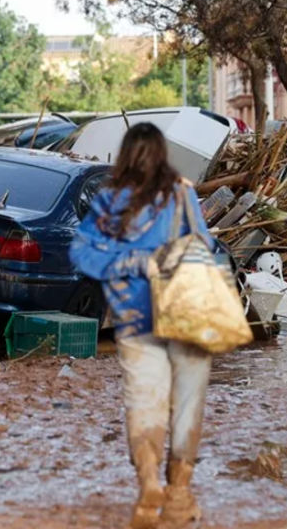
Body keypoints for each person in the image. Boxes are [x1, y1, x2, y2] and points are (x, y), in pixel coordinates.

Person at [70, 123, 213, 529]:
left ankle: (149, 485)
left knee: (144, 402)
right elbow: (203, 245)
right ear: (163, 154)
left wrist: (124, 264)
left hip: (133, 321)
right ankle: (180, 496)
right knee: (186, 405)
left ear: (127, 155)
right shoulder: (183, 193)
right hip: (184, 318)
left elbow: (80, 253)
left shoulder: (108, 203)